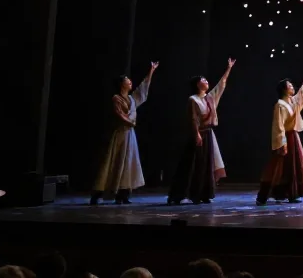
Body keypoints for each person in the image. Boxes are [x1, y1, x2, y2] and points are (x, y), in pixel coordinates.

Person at [168, 58, 234, 205]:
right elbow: (193, 119)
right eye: (203, 80)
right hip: (199, 134)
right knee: (193, 164)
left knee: (207, 164)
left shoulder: (209, 98)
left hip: (209, 134)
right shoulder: (193, 100)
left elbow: (221, 85)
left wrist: (229, 68)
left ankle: (204, 194)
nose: (206, 81)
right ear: (198, 84)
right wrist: (196, 134)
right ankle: (184, 194)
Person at [91, 61, 158, 205]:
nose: (130, 82)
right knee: (113, 162)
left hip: (129, 134)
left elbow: (143, 88)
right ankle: (98, 193)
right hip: (120, 134)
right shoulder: (116, 98)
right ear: (121, 84)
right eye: (127, 81)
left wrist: (151, 71)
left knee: (128, 163)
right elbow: (119, 114)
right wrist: (130, 122)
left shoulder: (132, 99)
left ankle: (123, 194)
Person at [257, 64, 303, 205]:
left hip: (293, 137)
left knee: (292, 166)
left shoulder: (292, 102)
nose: (292, 87)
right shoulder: (280, 105)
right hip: (285, 138)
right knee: (277, 167)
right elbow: (278, 126)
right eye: (289, 86)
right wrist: (282, 143)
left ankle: (291, 194)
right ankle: (263, 196)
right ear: (284, 89)